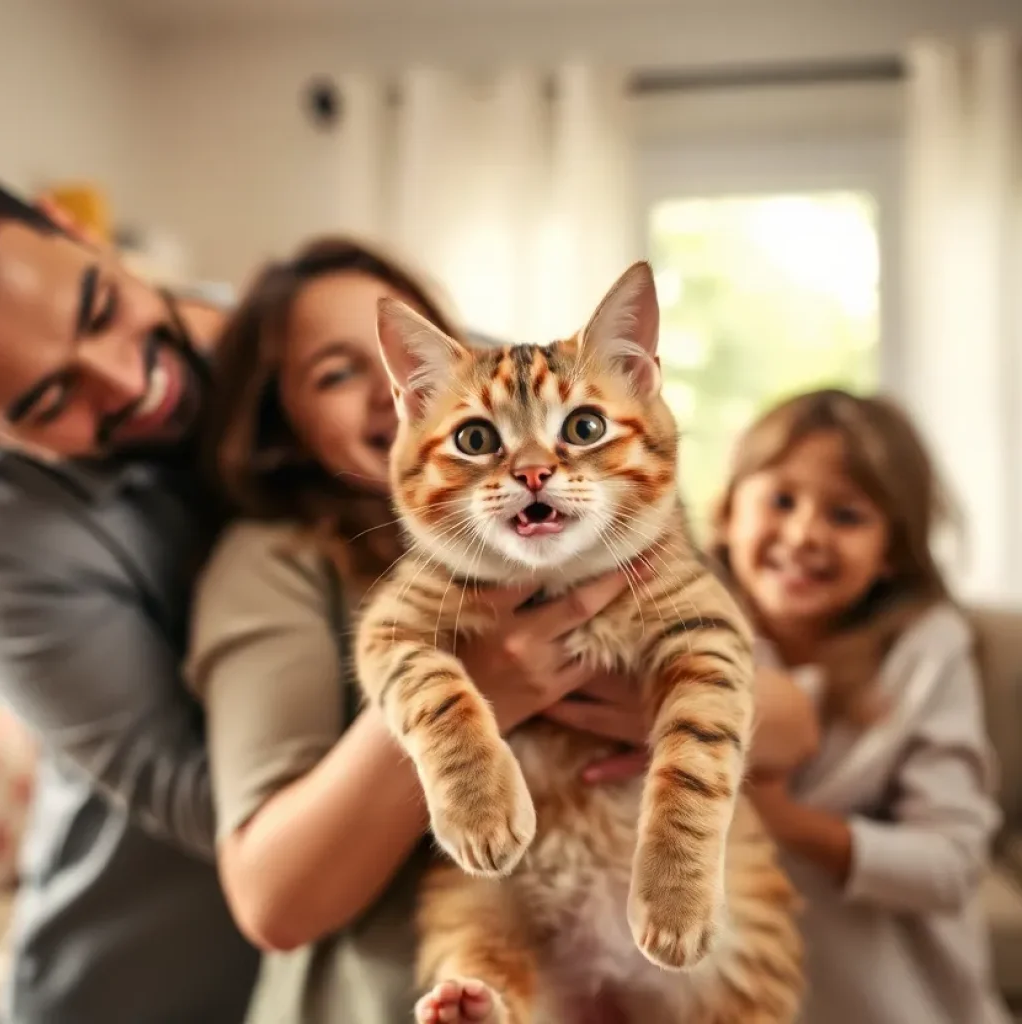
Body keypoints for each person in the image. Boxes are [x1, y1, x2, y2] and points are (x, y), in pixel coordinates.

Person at [184, 236, 821, 1023]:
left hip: (689, 945)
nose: (531, 472)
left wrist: (666, 717)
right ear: (283, 413)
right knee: (477, 932)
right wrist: (474, 706)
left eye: (578, 432)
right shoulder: (276, 561)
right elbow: (272, 901)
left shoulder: (635, 532)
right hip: (423, 970)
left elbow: (787, 718)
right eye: (337, 373)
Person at [0, 184, 257, 1023]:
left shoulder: (316, 329)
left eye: (99, 307)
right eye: (47, 400)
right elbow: (195, 796)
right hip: (135, 986)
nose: (125, 381)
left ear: (77, 232)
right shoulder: (17, 534)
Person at [712, 387, 1011, 1024]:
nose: (803, 534)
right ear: (727, 512)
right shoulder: (677, 624)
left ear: (891, 553)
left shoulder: (925, 649)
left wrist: (787, 822)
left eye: (846, 516)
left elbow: (952, 865)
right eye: (781, 500)